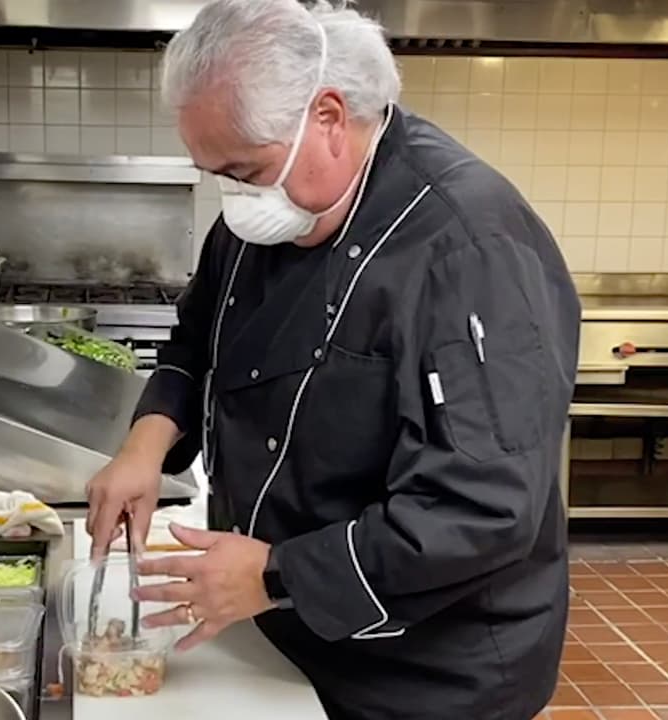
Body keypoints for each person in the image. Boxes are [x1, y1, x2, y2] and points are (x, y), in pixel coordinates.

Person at [85, 0, 581, 717]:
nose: (236, 196)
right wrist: (146, 440)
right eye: (215, 173)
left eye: (244, 170)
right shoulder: (271, 213)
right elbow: (200, 336)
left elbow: (480, 508)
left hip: (426, 669)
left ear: (328, 118)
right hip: (288, 629)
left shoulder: (468, 248)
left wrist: (277, 573)